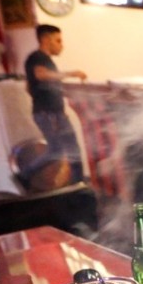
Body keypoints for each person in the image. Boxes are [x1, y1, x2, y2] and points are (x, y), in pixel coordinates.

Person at [23, 24, 87, 185]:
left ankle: (78, 185)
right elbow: (41, 75)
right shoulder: (37, 57)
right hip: (48, 114)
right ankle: (24, 174)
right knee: (57, 151)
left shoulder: (45, 60)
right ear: (46, 39)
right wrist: (71, 73)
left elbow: (29, 87)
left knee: (72, 150)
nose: (61, 45)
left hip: (54, 112)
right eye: (58, 40)